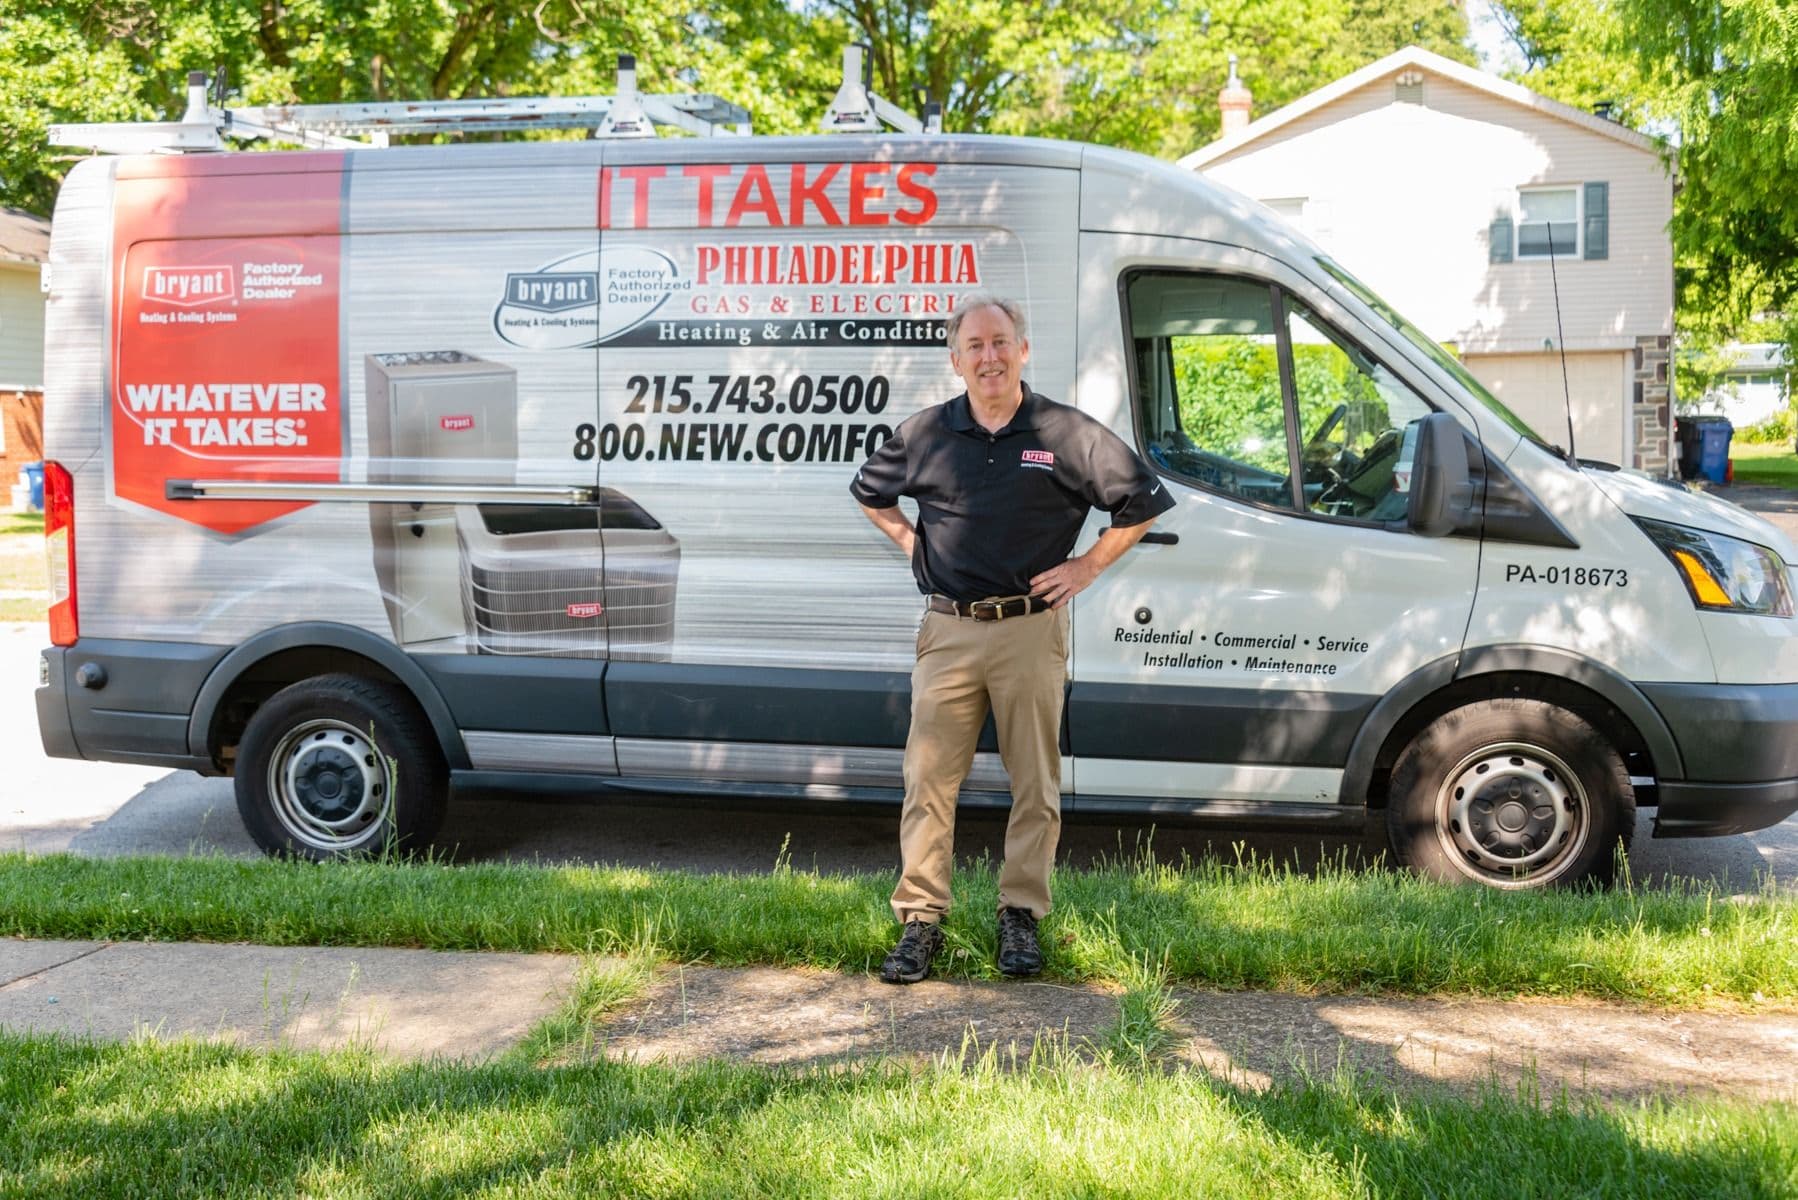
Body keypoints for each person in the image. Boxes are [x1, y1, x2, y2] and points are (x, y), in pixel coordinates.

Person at [850, 292, 1175, 984]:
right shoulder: (927, 433)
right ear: (956, 359)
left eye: (1001, 342)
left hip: (1030, 630)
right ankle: (920, 922)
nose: (989, 356)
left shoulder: (1063, 431)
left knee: (1035, 782)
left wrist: (1088, 564)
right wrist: (913, 543)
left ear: (1022, 350)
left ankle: (1020, 915)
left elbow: (1141, 501)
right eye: (975, 346)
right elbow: (870, 491)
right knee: (928, 781)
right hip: (949, 630)